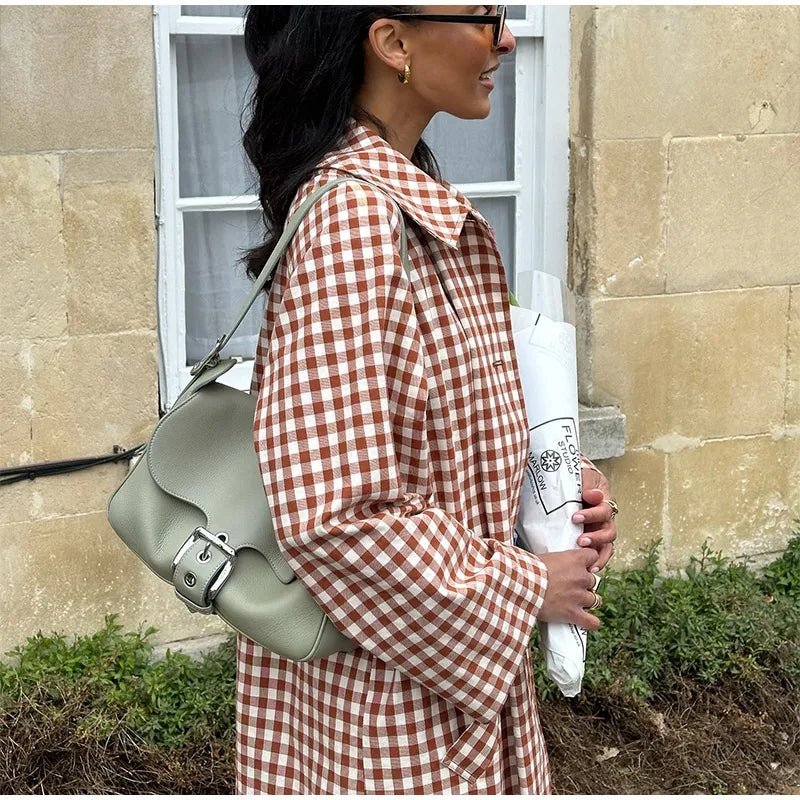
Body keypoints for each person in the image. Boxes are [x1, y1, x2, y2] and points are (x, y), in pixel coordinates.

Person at [237, 5, 618, 794]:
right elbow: (334, 514)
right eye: (484, 17)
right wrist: (527, 585)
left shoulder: (412, 199)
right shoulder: (355, 219)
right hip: (386, 717)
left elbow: (432, 431)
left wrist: (553, 488)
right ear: (392, 42)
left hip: (433, 685)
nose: (506, 38)